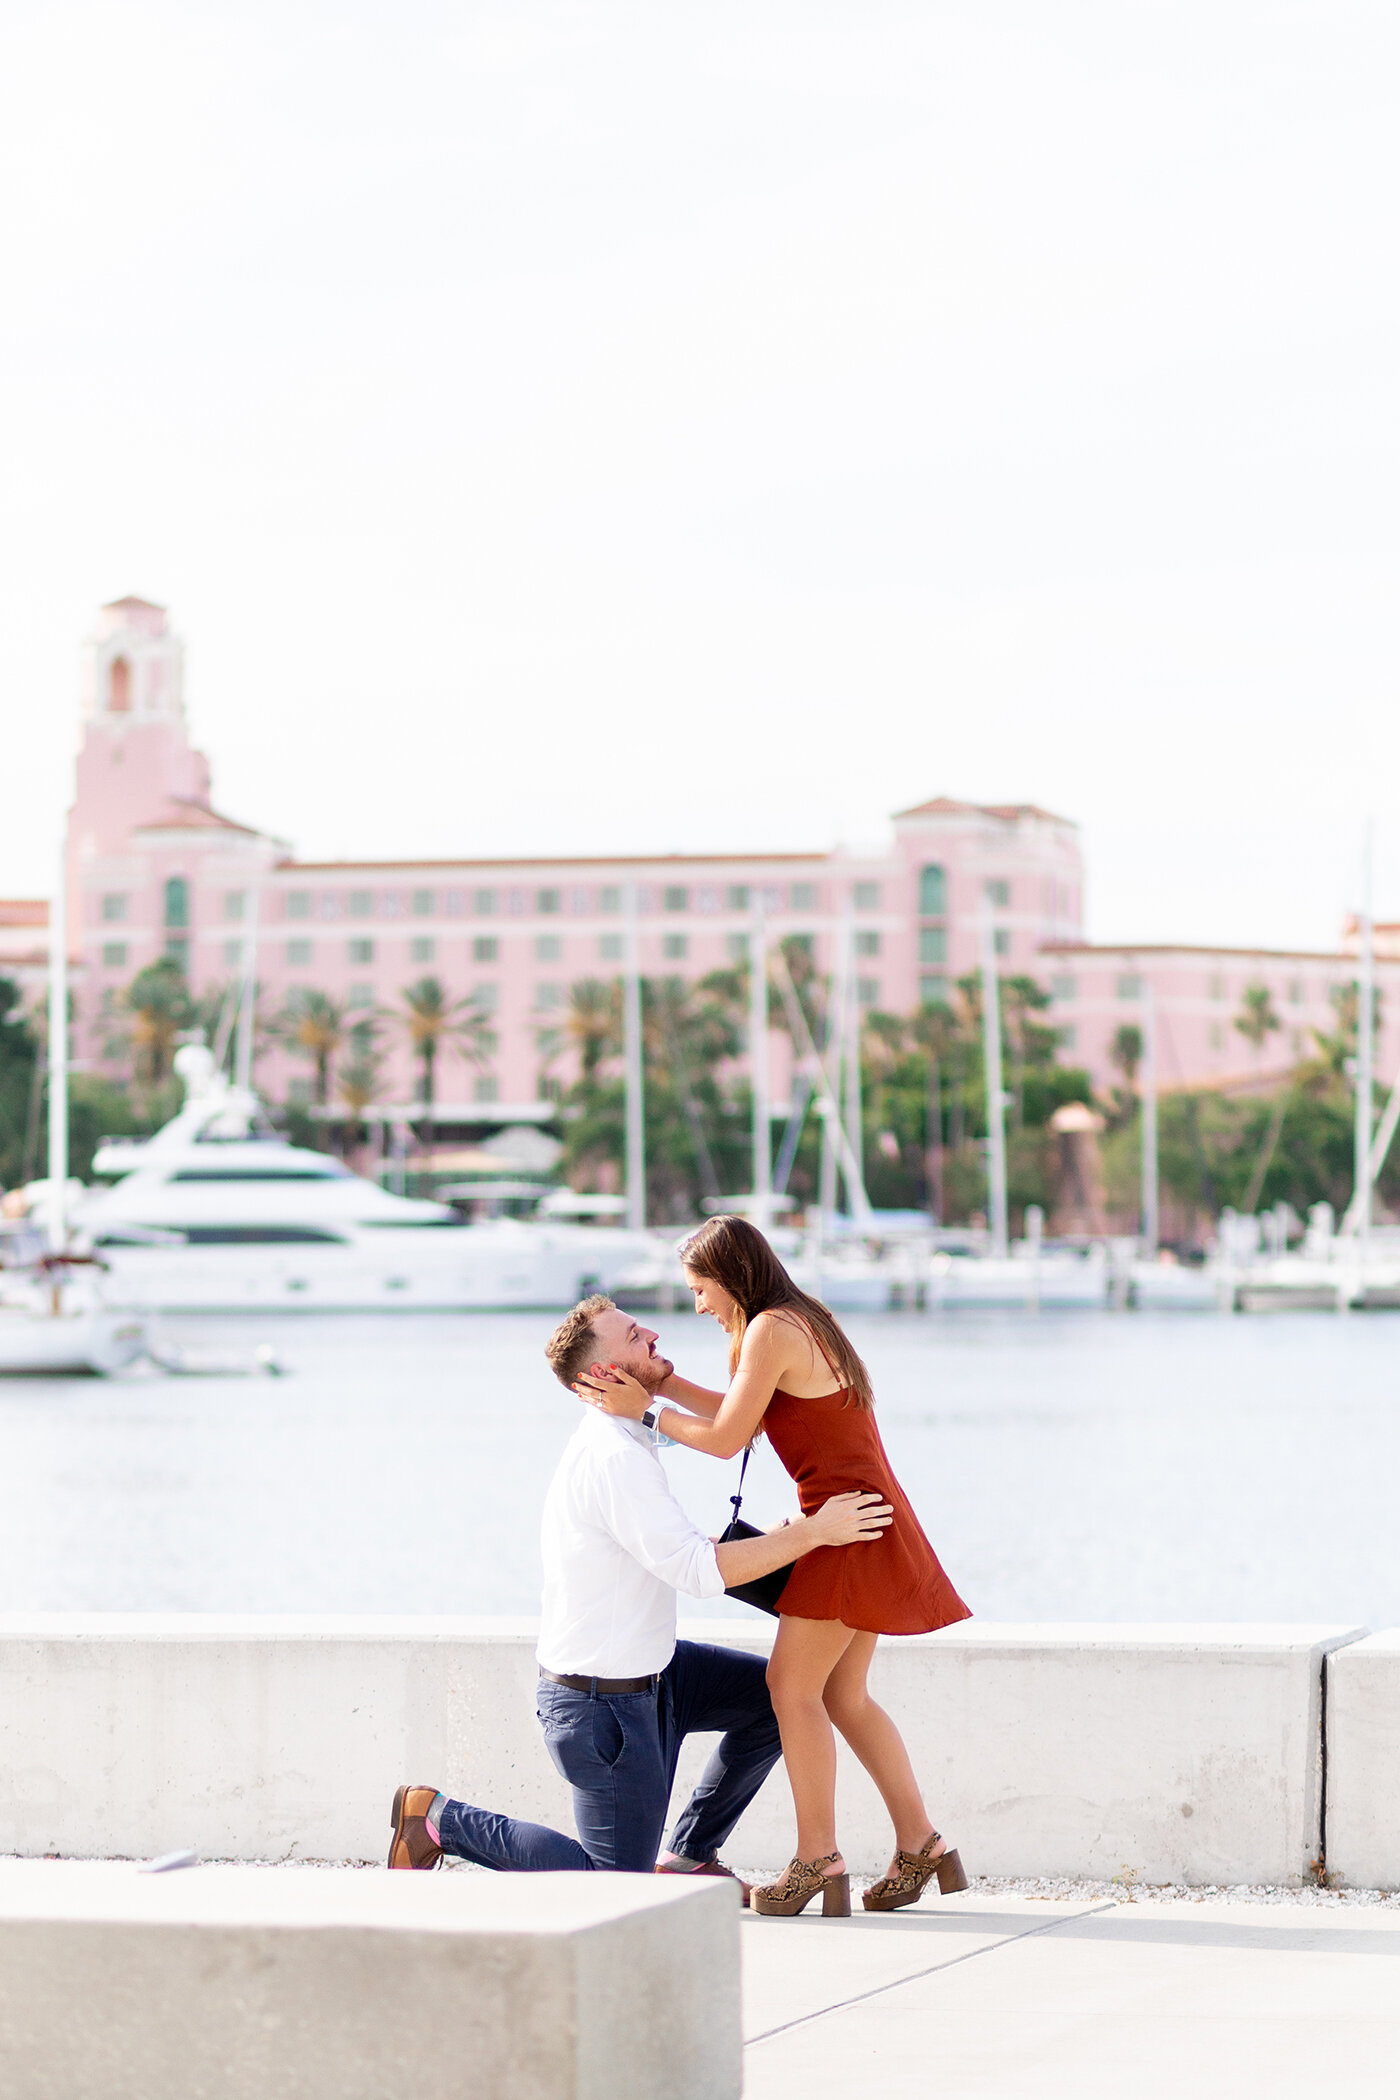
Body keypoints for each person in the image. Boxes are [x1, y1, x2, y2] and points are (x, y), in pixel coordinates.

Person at [387, 1293, 892, 1895]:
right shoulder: (611, 1457)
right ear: (602, 1375)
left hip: (659, 1673)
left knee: (776, 1701)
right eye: (632, 1336)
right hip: (601, 1706)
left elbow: (683, 1513)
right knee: (615, 1883)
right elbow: (698, 1571)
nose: (652, 1333)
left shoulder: (629, 1433)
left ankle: (689, 1853)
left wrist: (785, 1537)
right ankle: (437, 1818)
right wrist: (814, 1534)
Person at [578, 1216, 972, 1920]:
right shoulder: (796, 1318)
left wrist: (646, 1416)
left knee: (790, 1688)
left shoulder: (768, 1330)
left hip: (841, 1529)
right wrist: (663, 1391)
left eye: (700, 1289)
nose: (697, 1305)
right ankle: (922, 1844)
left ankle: (816, 1858)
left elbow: (728, 1439)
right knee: (843, 1697)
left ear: (730, 1277)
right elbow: (749, 1416)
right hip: (860, 1518)